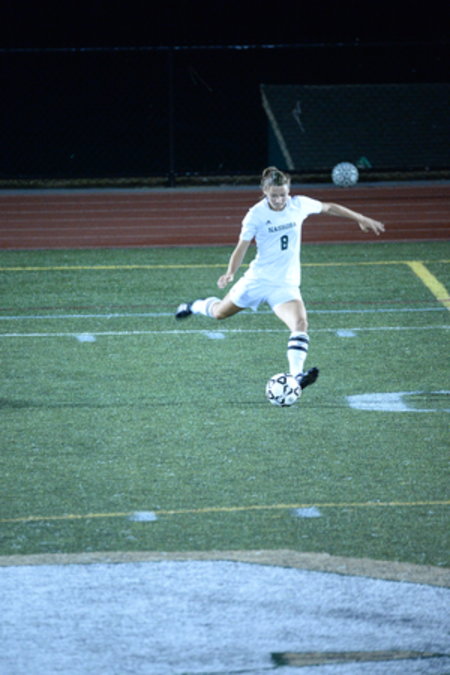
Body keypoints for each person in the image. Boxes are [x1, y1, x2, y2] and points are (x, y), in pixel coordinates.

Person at [175, 166, 385, 390]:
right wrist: (230, 272)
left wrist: (360, 218)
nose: (279, 200)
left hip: (285, 284)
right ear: (265, 191)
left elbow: (329, 207)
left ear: (289, 191)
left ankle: (297, 376)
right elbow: (241, 247)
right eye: (274, 195)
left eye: (283, 194)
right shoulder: (255, 215)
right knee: (219, 313)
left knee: (300, 323)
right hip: (257, 280)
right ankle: (193, 306)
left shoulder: (299, 205)